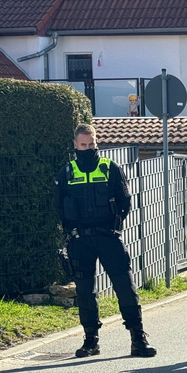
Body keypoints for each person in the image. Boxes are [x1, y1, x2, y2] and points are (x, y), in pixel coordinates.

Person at [55, 123, 156, 358]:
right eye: (83, 145)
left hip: (108, 236)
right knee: (85, 292)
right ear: (75, 145)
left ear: (96, 143)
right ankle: (90, 341)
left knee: (125, 288)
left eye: (91, 144)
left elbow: (125, 201)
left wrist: (114, 223)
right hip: (79, 240)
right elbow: (58, 206)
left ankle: (137, 338)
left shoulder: (110, 168)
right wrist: (72, 232)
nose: (88, 148)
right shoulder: (66, 173)